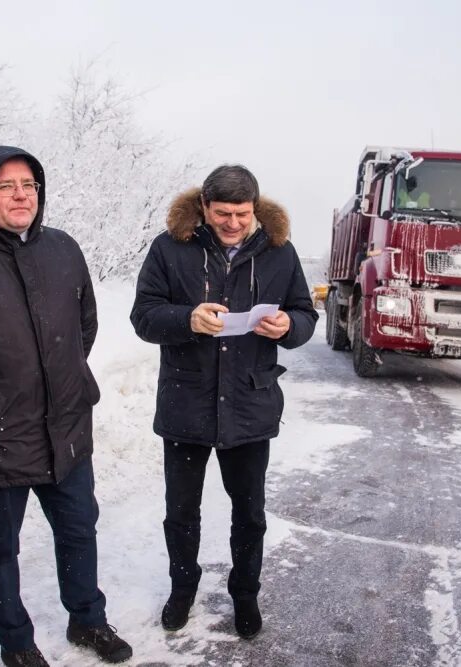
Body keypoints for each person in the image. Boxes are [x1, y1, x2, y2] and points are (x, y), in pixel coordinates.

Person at [0, 146, 132, 667]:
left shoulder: (63, 248)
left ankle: (87, 619)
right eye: (6, 185)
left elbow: (85, 325)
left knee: (80, 529)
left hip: (67, 426)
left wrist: (65, 382)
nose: (21, 195)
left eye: (30, 185)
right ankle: (14, 640)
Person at [130, 165, 318, 639]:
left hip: (249, 403)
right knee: (181, 512)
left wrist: (289, 328)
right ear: (204, 208)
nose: (233, 223)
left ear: (255, 209)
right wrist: (188, 319)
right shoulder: (170, 248)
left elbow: (304, 314)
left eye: (242, 213)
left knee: (249, 513)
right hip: (186, 400)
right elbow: (144, 316)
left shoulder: (279, 252)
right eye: (222, 213)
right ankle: (182, 589)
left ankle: (246, 594)